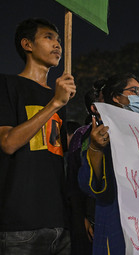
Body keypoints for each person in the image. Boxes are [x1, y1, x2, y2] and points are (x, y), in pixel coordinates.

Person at [0, 18, 76, 254]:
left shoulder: (59, 98)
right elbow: (8, 143)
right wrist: (55, 103)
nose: (58, 46)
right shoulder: (7, 85)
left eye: (59, 40)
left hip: (58, 224)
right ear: (27, 44)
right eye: (48, 37)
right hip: (20, 226)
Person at [78, 73, 139, 255]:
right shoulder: (99, 133)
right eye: (134, 91)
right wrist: (95, 149)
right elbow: (88, 184)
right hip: (115, 220)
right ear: (116, 97)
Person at [67, 80, 106, 255]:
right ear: (94, 108)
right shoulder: (82, 136)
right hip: (93, 215)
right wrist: (83, 218)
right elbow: (74, 181)